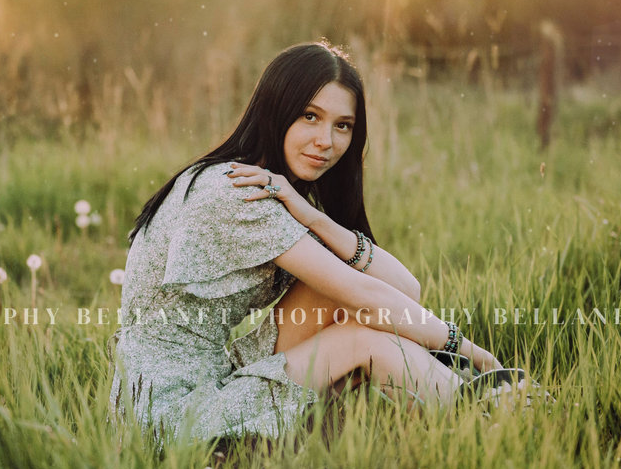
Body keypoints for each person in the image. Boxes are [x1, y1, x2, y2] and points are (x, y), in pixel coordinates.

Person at [106, 41, 504, 444]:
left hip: (208, 374)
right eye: (310, 116)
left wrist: (312, 215)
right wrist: (477, 355)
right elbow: (365, 292)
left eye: (342, 125)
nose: (325, 141)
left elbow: (404, 289)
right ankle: (489, 413)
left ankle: (478, 405)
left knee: (348, 308)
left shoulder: (274, 193)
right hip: (166, 412)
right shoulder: (236, 191)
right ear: (275, 111)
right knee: (361, 337)